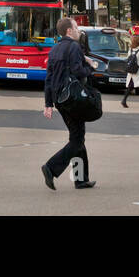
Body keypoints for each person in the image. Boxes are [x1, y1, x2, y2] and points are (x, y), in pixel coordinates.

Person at [40, 17, 97, 191]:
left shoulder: (54, 49)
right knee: (77, 139)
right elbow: (78, 71)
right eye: (76, 27)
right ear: (69, 31)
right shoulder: (74, 47)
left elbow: (49, 79)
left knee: (77, 137)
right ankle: (51, 167)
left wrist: (48, 103)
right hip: (74, 99)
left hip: (60, 100)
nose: (79, 31)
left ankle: (80, 179)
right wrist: (92, 67)